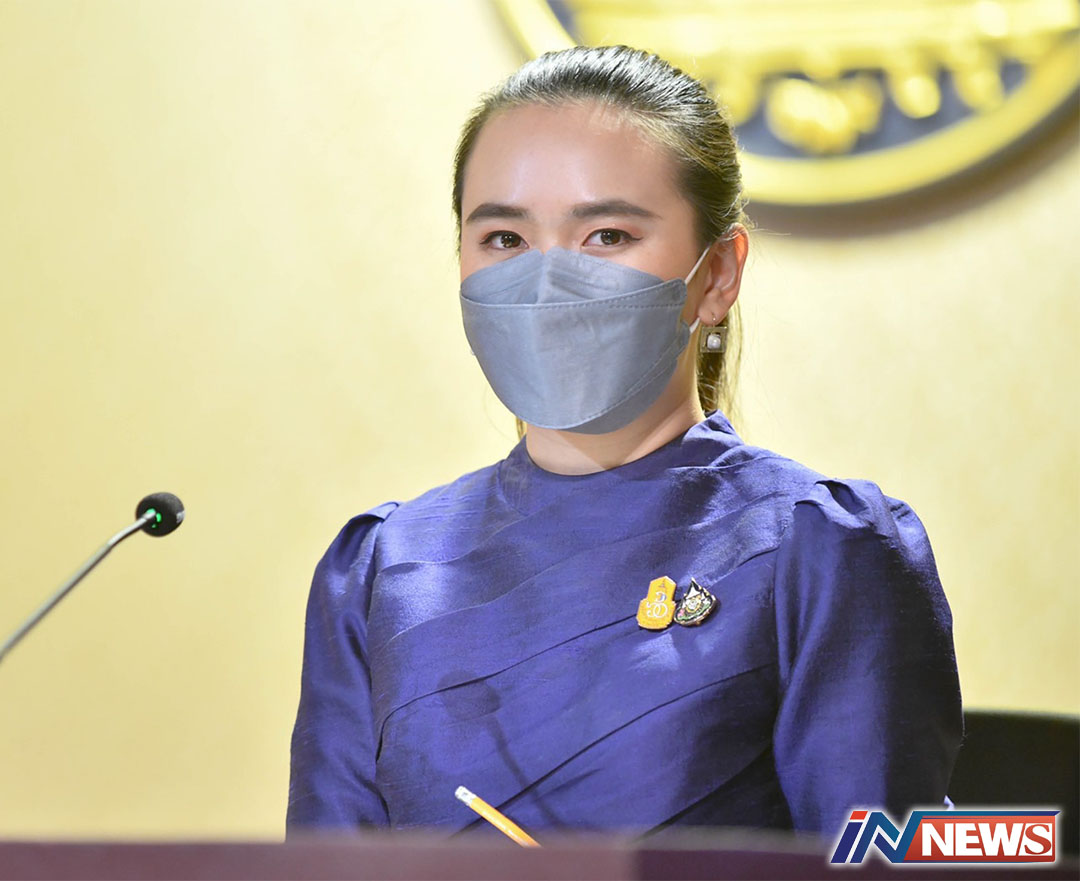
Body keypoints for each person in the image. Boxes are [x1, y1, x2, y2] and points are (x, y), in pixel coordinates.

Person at [286, 45, 962, 841]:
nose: (545, 283)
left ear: (718, 275)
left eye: (606, 235)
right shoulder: (379, 569)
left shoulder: (822, 548)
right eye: (503, 238)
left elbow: (887, 857)